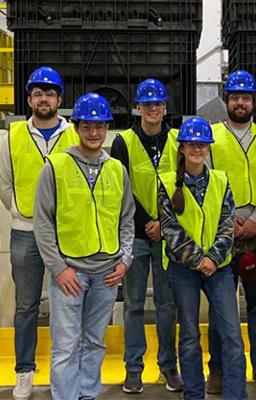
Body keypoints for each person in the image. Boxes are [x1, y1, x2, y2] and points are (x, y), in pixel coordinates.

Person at [33, 93, 135, 400]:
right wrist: (59, 269)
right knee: (65, 345)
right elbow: (43, 223)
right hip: (70, 275)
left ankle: (87, 395)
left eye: (100, 126)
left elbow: (126, 218)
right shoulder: (57, 166)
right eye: (87, 126)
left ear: (107, 129)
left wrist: (125, 260)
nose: (94, 133)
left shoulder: (117, 169)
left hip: (107, 273)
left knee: (94, 341)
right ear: (76, 127)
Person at [0, 66, 79, 400]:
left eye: (49, 93)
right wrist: (22, 212)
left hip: (67, 234)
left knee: (69, 306)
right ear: (29, 99)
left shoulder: (75, 134)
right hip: (26, 232)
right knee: (26, 306)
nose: (43, 98)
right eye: (37, 93)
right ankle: (24, 371)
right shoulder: (12, 136)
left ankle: (67, 371)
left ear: (59, 99)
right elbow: (5, 183)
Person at [158, 117, 247, 400]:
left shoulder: (221, 181)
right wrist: (198, 260)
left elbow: (227, 224)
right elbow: (169, 229)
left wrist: (213, 258)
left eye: (202, 145)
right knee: (189, 336)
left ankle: (236, 395)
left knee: (231, 335)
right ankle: (193, 394)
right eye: (191, 144)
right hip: (183, 269)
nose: (197, 149)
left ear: (208, 148)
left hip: (219, 269)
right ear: (182, 147)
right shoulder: (167, 183)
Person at [207, 70, 256, 394]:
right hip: (221, 233)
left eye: (246, 97)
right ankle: (218, 370)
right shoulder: (210, 137)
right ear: (226, 100)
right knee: (220, 307)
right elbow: (206, 181)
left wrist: (255, 220)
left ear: (253, 102)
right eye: (235, 96)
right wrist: (228, 222)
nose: (241, 102)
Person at [111, 78, 182, 393]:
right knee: (134, 304)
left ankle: (168, 367)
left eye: (158, 103)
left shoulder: (179, 140)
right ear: (137, 108)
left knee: (168, 305)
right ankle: (134, 368)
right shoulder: (122, 143)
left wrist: (163, 224)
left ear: (165, 107)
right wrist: (147, 223)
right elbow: (120, 191)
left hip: (169, 238)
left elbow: (184, 188)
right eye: (147, 103)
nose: (153, 108)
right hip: (136, 238)